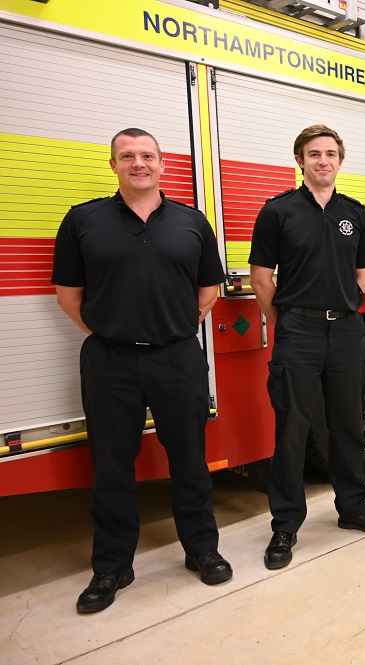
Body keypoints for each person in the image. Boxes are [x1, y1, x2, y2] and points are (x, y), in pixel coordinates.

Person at [52, 128, 231, 614]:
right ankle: (111, 567)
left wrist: (170, 329)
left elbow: (208, 292)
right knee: (111, 467)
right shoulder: (83, 220)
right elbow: (68, 295)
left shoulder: (192, 222)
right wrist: (114, 330)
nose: (138, 164)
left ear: (162, 164)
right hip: (109, 361)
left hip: (177, 357)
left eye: (147, 155)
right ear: (112, 165)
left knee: (190, 459)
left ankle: (202, 550)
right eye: (127, 156)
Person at [249, 124, 365, 571]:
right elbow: (261, 277)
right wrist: (289, 323)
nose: (323, 161)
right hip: (299, 331)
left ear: (340, 160)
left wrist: (343, 309)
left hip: (348, 332)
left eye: (331, 153)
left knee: (348, 424)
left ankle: (353, 508)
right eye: (314, 154)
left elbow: (363, 272)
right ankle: (286, 524)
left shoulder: (356, 212)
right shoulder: (278, 212)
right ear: (300, 161)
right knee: (293, 428)